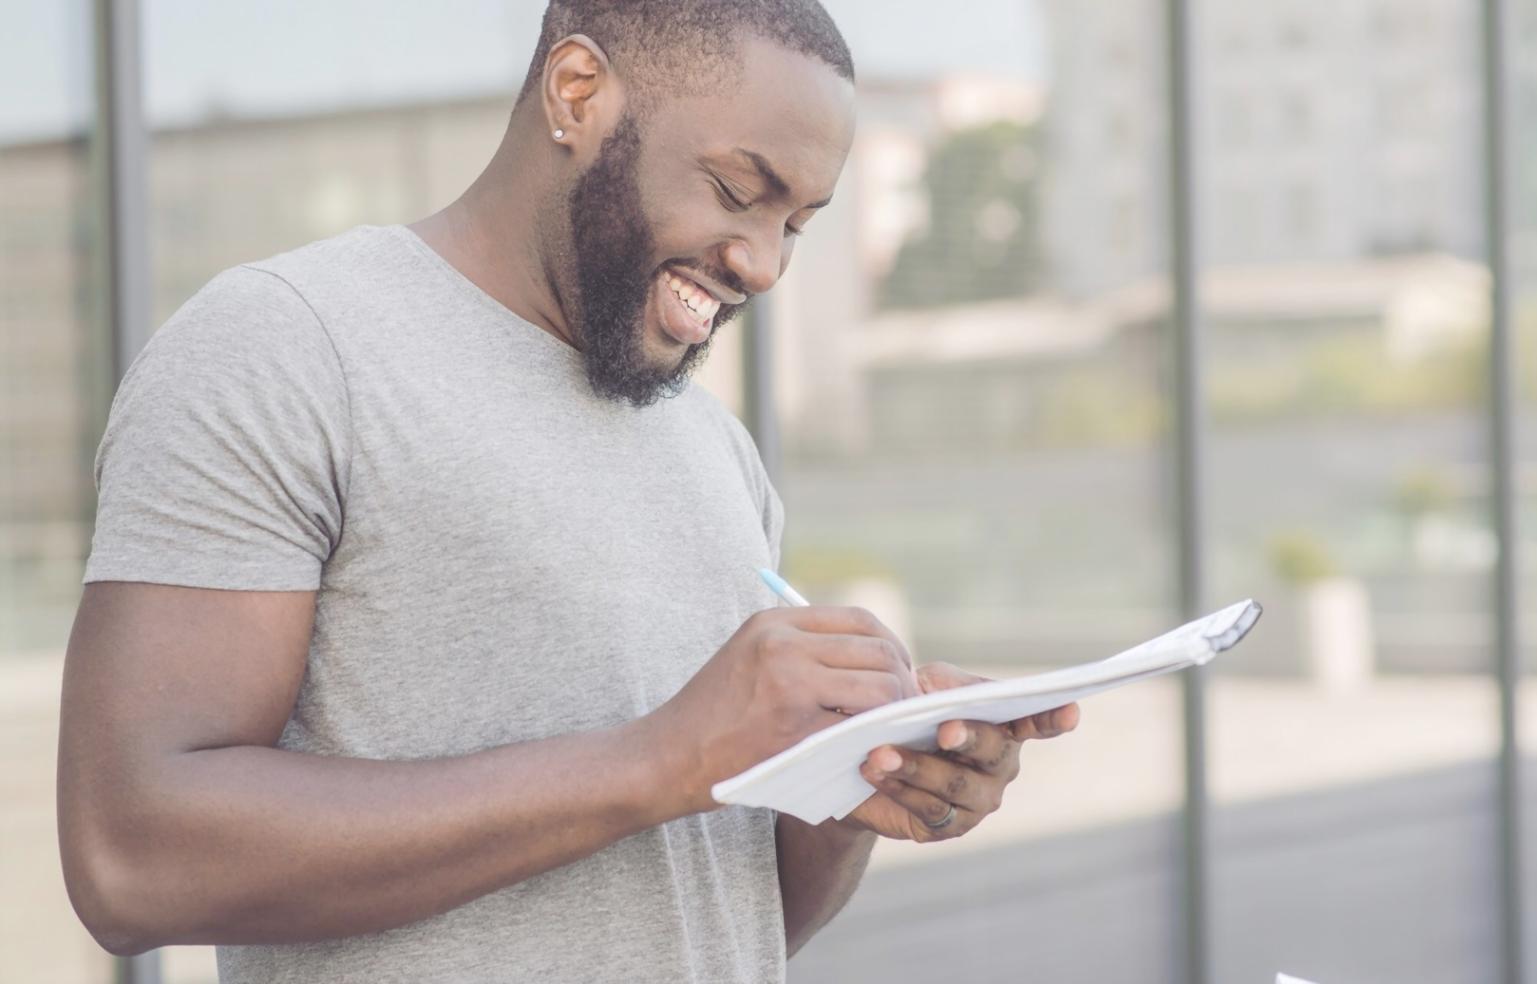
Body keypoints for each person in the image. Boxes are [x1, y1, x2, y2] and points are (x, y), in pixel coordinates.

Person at [57, 2, 1081, 981]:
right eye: (735, 190)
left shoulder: (714, 447)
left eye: (797, 225)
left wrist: (856, 777)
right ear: (579, 93)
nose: (764, 266)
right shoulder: (284, 349)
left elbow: (733, 922)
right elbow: (132, 857)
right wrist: (661, 758)